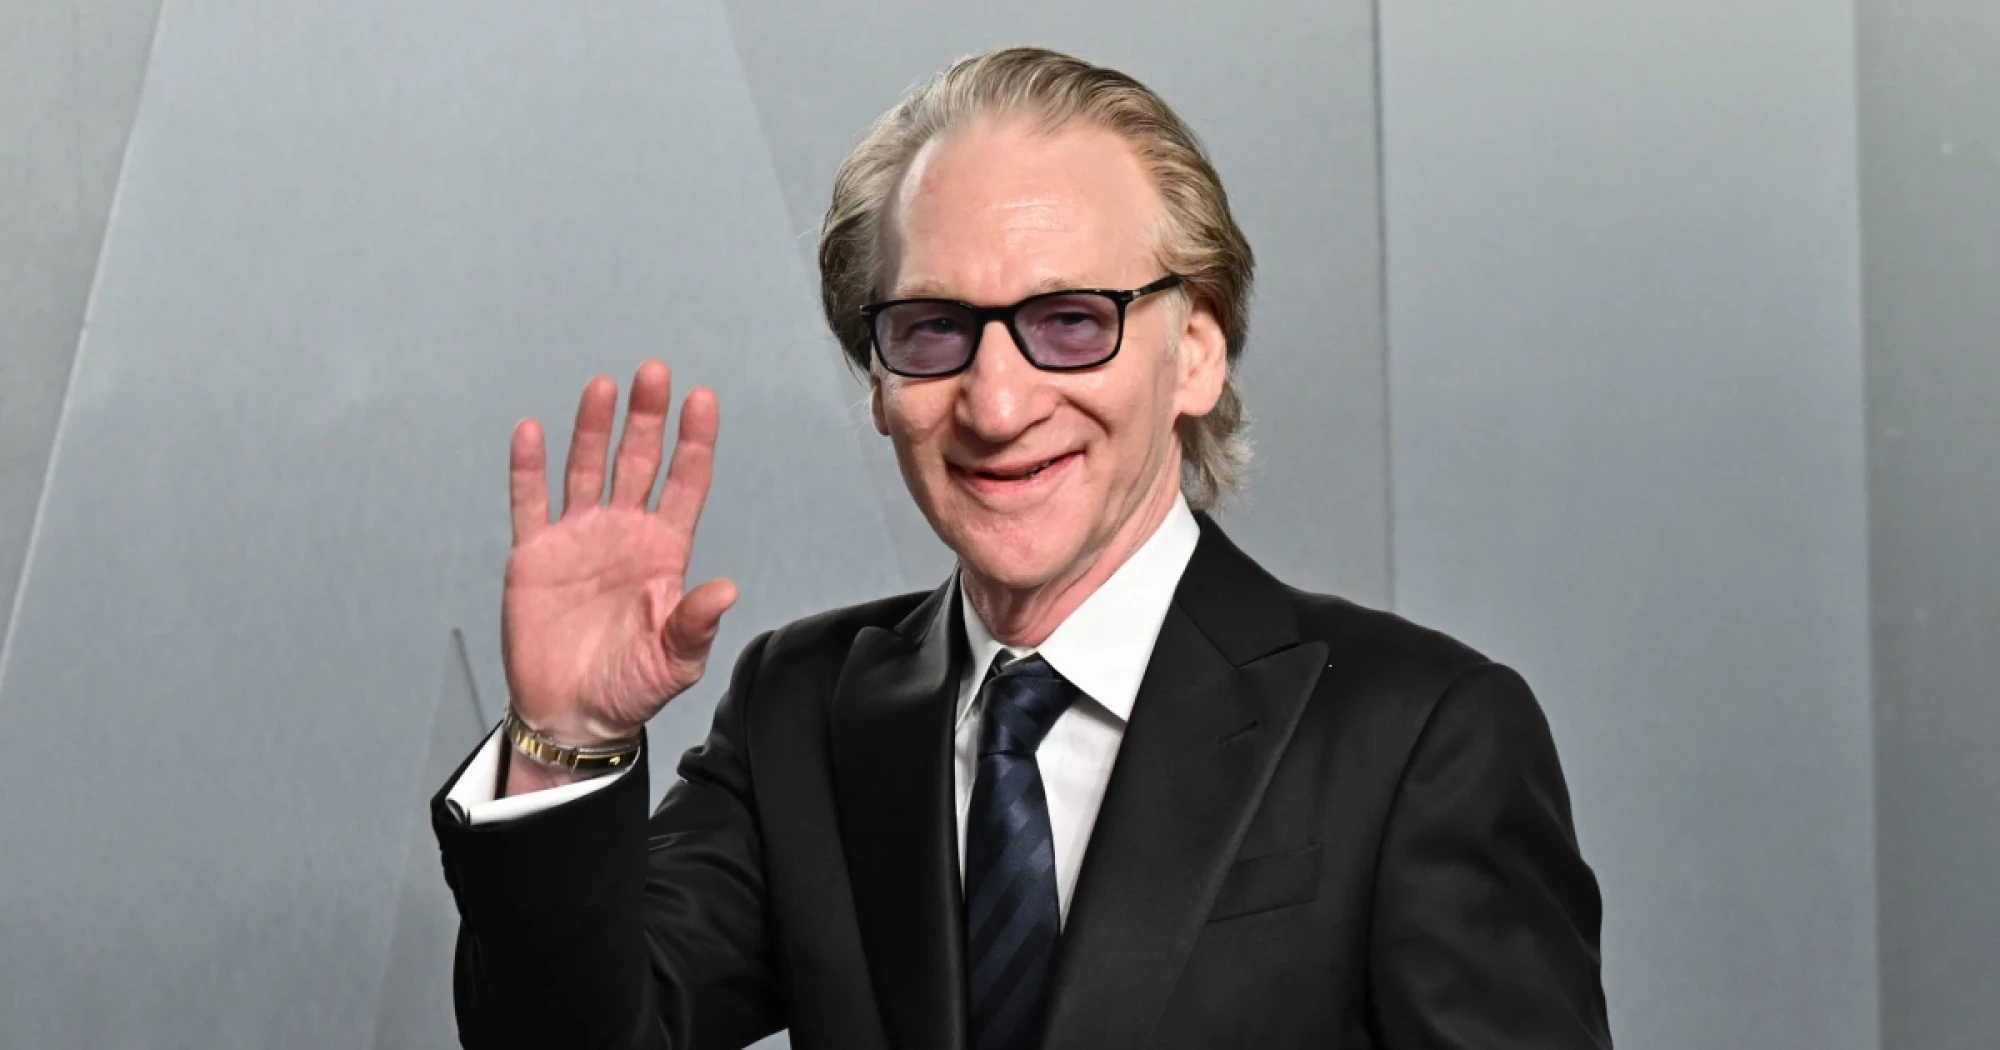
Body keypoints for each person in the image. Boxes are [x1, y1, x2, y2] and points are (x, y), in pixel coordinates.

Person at [430, 46, 1611, 1050]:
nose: (996, 406)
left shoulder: (1419, 736)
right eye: (933, 329)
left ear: (1195, 353)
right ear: (880, 382)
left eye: (1069, 322)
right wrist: (564, 742)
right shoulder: (802, 710)